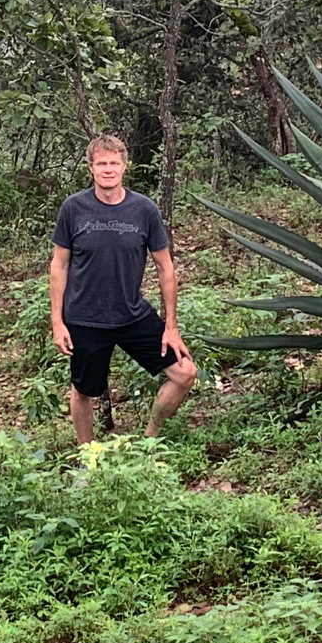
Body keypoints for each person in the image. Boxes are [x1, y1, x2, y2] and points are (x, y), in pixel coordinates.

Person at [48, 134, 197, 442]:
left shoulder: (144, 209)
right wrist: (57, 322)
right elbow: (59, 265)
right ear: (91, 167)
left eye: (114, 163)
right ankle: (88, 458)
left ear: (124, 166)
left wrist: (171, 327)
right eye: (101, 163)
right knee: (83, 390)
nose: (108, 169)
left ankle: (149, 442)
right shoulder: (73, 208)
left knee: (184, 373)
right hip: (85, 318)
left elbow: (165, 267)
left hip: (132, 315)